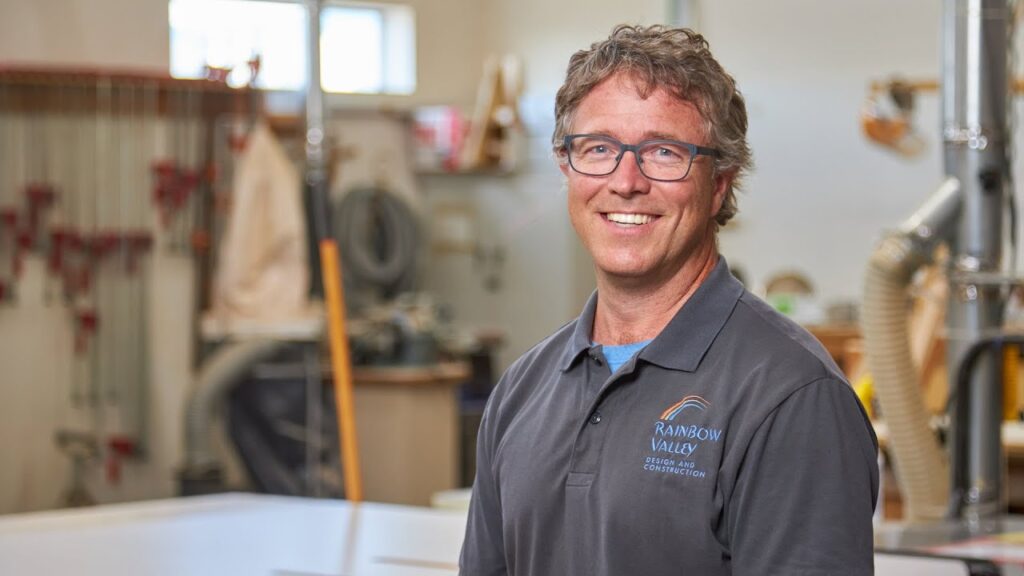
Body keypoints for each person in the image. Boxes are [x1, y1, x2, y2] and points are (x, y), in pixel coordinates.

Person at [459, 24, 878, 576]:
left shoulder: (791, 398)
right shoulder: (522, 390)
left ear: (720, 183)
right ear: (567, 167)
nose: (625, 181)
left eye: (663, 151)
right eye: (600, 147)